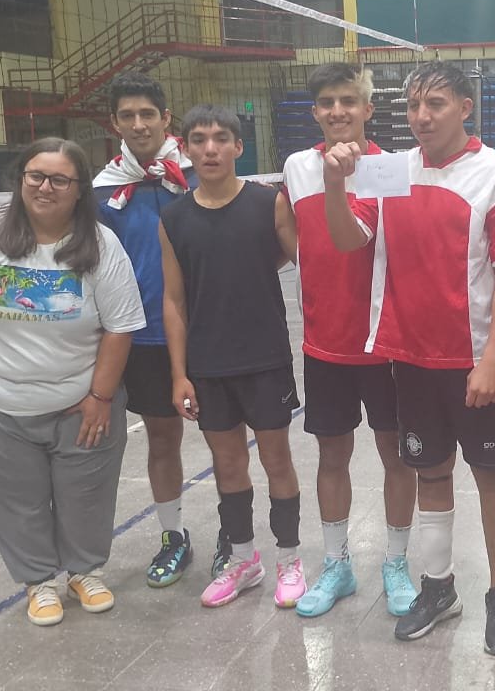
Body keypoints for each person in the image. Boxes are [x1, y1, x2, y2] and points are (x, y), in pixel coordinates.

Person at [322, 61, 495, 656]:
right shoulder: (389, 170)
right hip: (411, 358)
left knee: (491, 478)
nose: (421, 116)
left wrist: (492, 357)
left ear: (465, 107)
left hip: (475, 361)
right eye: (413, 105)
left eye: (435, 104)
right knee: (431, 475)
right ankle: (439, 588)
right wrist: (336, 184)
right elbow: (347, 238)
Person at [0, 137, 145, 627]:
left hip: (82, 405)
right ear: (20, 179)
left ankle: (85, 572)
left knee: (86, 497)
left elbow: (120, 326)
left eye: (60, 179)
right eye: (36, 176)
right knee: (16, 502)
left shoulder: (101, 245)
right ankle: (39, 581)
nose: (45, 187)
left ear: (79, 189)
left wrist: (101, 396)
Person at [279, 62, 418, 619]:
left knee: (395, 456)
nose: (338, 111)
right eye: (327, 102)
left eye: (348, 101)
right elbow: (291, 232)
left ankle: (397, 562)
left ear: (367, 109)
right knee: (331, 455)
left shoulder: (390, 169)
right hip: (324, 343)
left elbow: (364, 241)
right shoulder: (297, 167)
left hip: (385, 343)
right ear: (315, 112)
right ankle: (336, 564)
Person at [158, 104, 305, 609]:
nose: (210, 149)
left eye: (221, 138)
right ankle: (244, 559)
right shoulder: (174, 218)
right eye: (199, 140)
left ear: (239, 147)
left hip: (265, 358)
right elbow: (174, 301)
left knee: (277, 459)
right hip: (209, 364)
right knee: (228, 463)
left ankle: (289, 559)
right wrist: (179, 374)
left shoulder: (268, 203)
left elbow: (297, 258)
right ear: (186, 149)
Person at [93, 72, 197, 589]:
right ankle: (173, 535)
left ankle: (236, 536)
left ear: (165, 118)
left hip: (207, 329)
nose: (138, 124)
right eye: (127, 116)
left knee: (227, 438)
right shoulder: (101, 191)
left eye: (147, 114)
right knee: (162, 437)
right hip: (143, 336)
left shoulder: (200, 171)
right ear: (115, 124)